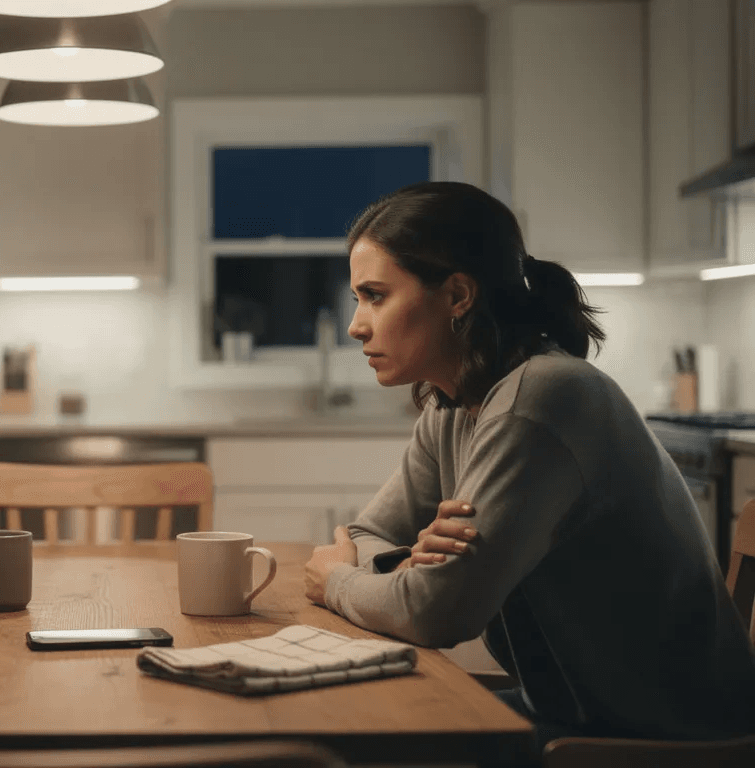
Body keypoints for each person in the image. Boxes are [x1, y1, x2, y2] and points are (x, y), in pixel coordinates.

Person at [301, 181, 755, 747]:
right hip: (572, 710)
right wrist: (404, 569)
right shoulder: (453, 403)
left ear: (458, 295)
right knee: (359, 723)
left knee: (353, 742)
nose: (356, 325)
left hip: (660, 737)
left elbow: (438, 615)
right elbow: (368, 532)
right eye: (357, 299)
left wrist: (340, 580)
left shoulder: (539, 400)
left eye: (375, 296)